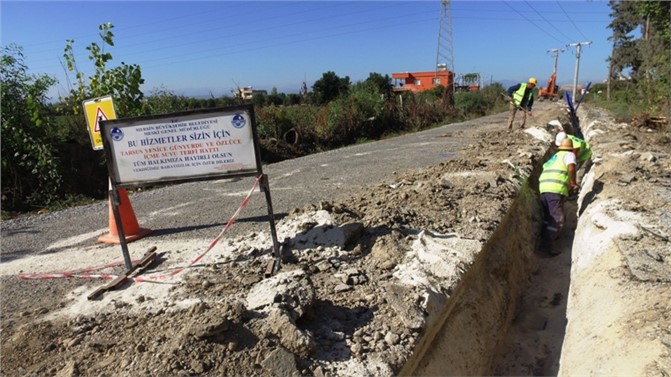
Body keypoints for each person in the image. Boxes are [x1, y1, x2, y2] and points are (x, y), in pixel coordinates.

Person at [538, 137, 578, 256]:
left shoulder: (554, 157)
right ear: (570, 149)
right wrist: (573, 183)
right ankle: (548, 247)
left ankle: (544, 240)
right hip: (555, 189)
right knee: (557, 219)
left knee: (548, 217)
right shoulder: (569, 155)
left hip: (543, 188)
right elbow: (571, 168)